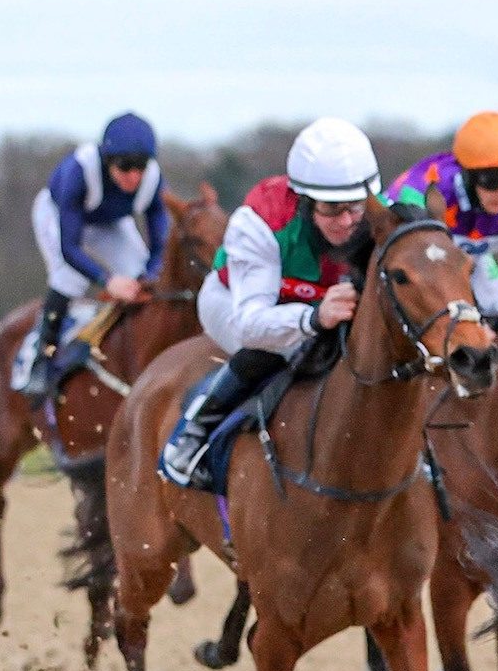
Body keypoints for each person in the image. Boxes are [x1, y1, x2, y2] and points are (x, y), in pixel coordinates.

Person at [157, 117, 380, 487]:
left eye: (354, 208)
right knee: (282, 346)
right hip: (234, 301)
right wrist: (312, 318)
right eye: (330, 209)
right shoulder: (261, 221)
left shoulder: (375, 217)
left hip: (318, 304)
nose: (345, 222)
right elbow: (251, 323)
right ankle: (193, 432)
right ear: (304, 201)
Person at [24, 112, 168, 401]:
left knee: (142, 275)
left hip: (109, 222)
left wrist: (149, 274)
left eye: (140, 166)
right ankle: (42, 358)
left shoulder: (154, 181)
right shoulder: (79, 172)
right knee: (70, 278)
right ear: (107, 159)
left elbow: (159, 244)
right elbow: (70, 248)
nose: (133, 176)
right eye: (125, 166)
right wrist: (107, 280)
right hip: (60, 217)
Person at [387, 111, 498, 326]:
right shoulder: (421, 190)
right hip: (414, 257)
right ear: (467, 174)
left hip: (472, 256)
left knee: (497, 303)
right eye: (492, 180)